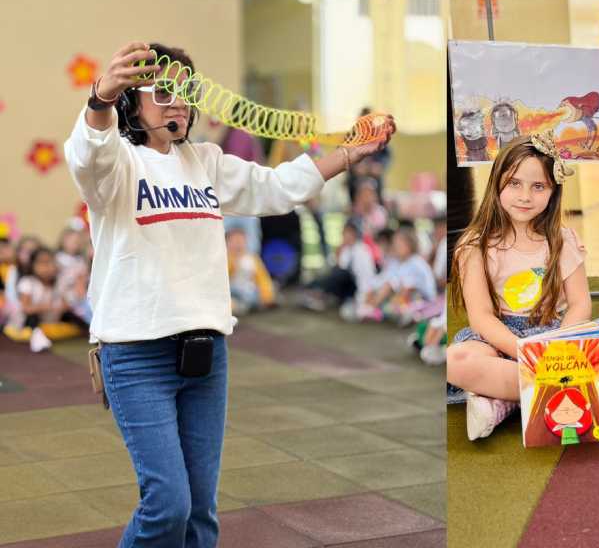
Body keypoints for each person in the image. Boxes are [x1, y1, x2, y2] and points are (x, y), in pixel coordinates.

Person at [63, 41, 394, 548]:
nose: (178, 104)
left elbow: (280, 186)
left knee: (200, 513)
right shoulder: (118, 166)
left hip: (206, 355)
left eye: (186, 93)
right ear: (134, 102)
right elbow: (88, 156)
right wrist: (100, 98)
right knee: (166, 506)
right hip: (135, 354)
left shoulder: (208, 162)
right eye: (164, 92)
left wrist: (350, 153)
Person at [446, 133, 599, 441]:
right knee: (455, 360)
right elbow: (481, 318)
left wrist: (558, 347)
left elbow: (580, 304)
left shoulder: (562, 239)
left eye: (538, 186)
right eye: (514, 183)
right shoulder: (474, 246)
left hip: (556, 334)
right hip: (499, 341)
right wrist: (523, 353)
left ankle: (505, 401)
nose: (525, 196)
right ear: (496, 184)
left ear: (553, 191)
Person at [7, 247, 65, 352]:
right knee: (32, 317)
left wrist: (61, 307)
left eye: (51, 263)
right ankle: (37, 336)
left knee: (72, 315)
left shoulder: (57, 283)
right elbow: (25, 308)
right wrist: (44, 307)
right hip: (28, 320)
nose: (48, 267)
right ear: (32, 265)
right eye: (43, 263)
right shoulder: (28, 282)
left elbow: (64, 303)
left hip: (49, 317)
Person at [225, 228, 275, 315]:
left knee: (263, 292)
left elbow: (263, 278)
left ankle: (253, 304)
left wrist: (267, 294)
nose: (238, 244)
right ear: (227, 242)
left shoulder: (252, 258)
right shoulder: (224, 258)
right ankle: (238, 306)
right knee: (231, 301)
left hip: (249, 291)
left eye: (241, 241)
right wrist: (233, 262)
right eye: (234, 241)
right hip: (231, 292)